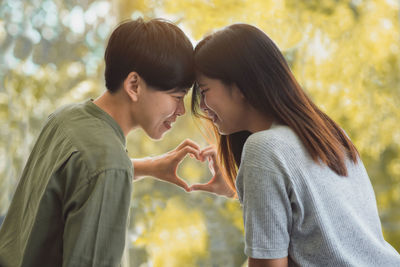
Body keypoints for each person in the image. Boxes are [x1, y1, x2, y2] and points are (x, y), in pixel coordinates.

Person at [189, 23, 400, 267]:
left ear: (239, 86)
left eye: (204, 91)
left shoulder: (263, 148)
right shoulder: (329, 133)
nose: (202, 106)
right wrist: (241, 188)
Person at [0, 18, 202, 267]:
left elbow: (77, 175)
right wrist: (121, 169)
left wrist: (146, 166)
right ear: (134, 85)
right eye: (177, 96)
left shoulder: (65, 118)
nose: (181, 110)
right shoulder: (109, 166)